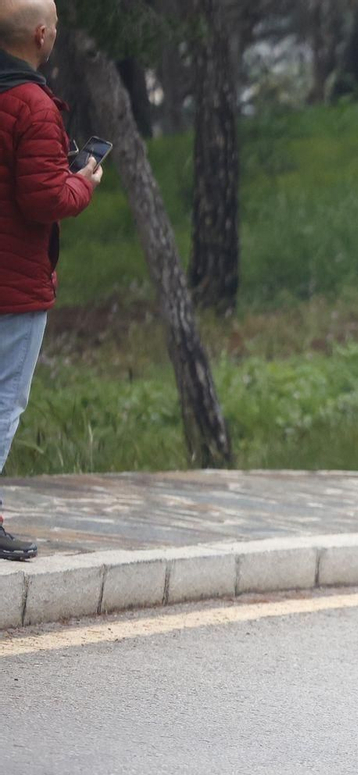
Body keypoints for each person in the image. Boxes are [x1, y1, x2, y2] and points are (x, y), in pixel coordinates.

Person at [0, 0, 100, 561]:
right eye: (57, 26)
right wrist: (84, 180)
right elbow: (44, 200)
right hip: (14, 289)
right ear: (41, 35)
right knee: (4, 404)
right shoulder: (34, 105)